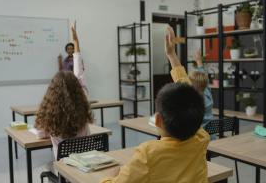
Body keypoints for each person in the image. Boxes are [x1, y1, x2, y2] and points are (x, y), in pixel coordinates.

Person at [100, 25, 209, 183]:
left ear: (157, 120)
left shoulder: (148, 154)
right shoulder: (201, 138)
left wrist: (109, 177)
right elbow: (187, 91)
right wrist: (172, 55)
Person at [34, 22, 92, 159]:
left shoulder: (51, 118)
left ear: (52, 92)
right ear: (78, 88)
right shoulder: (83, 101)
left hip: (65, 170)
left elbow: (40, 133)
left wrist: (76, 41)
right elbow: (79, 71)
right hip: (85, 167)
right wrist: (76, 39)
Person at [191, 49, 214, 126]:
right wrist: (198, 60)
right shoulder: (207, 92)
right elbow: (205, 77)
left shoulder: (195, 100)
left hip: (199, 135)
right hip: (212, 135)